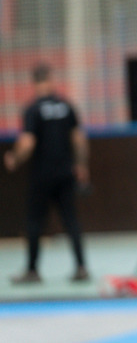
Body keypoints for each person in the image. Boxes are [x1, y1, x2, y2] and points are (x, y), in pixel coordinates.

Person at [4, 63, 90, 284]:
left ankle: (32, 271)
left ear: (34, 83)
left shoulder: (33, 109)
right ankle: (81, 267)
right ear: (51, 80)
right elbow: (79, 139)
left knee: (34, 222)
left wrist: (14, 157)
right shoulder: (66, 106)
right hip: (65, 173)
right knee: (71, 220)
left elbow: (27, 142)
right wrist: (81, 165)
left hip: (42, 175)